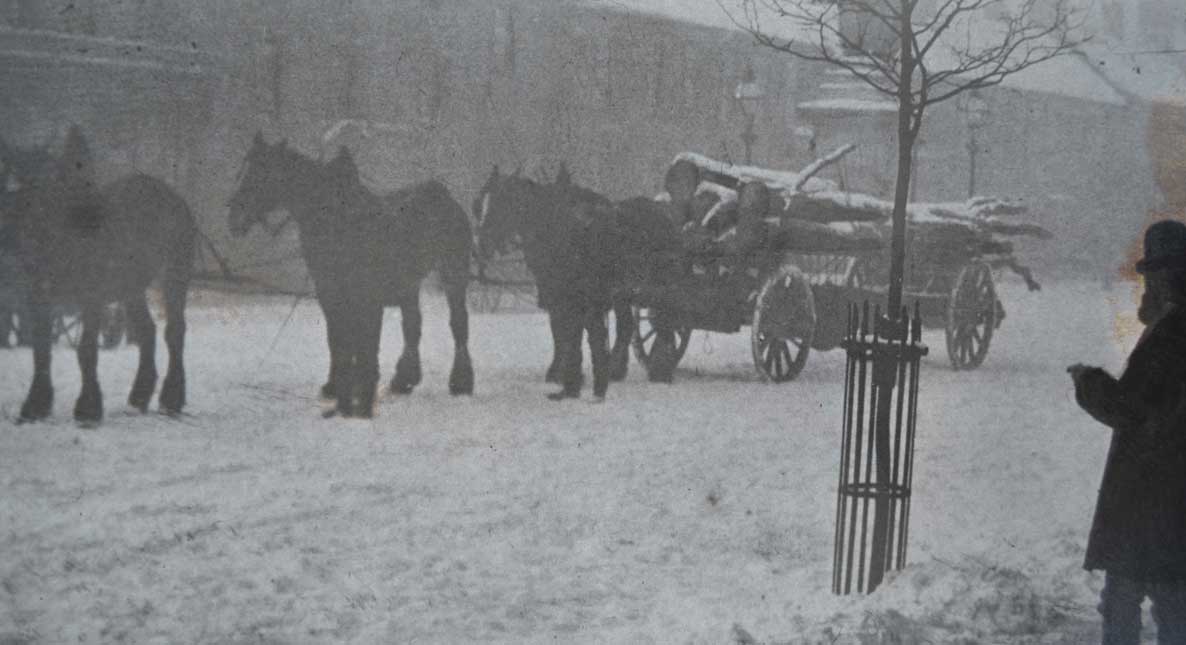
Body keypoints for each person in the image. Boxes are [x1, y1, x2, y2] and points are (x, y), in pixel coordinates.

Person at [1069, 219, 1186, 645]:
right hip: (1174, 494)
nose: (1146, 287)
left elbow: (1130, 408)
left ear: (1167, 277)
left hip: (1148, 490)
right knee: (1172, 593)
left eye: (1151, 276)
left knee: (1124, 595)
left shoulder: (1171, 332)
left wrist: (1088, 382)